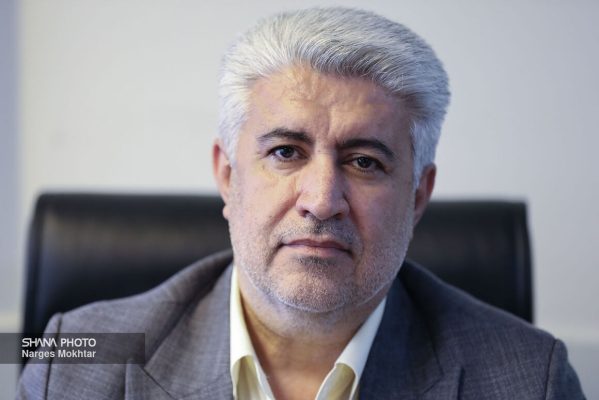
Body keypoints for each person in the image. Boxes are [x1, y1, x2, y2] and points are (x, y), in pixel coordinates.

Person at [17, 7, 585, 400]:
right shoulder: (72, 362)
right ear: (227, 175)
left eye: (365, 162)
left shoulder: (529, 380)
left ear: (418, 195)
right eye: (286, 152)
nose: (321, 201)